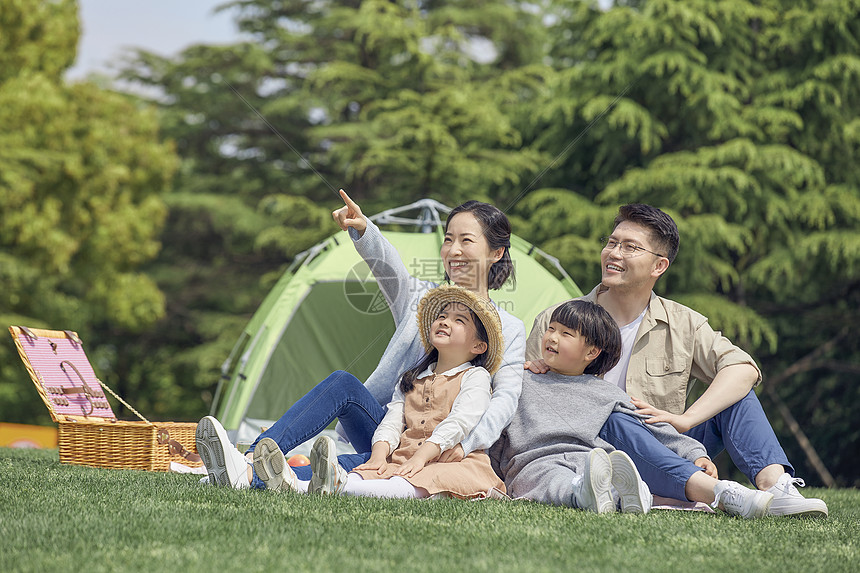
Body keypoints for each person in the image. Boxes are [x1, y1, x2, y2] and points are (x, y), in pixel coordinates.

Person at [196, 191, 525, 490]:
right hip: (392, 432)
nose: (453, 250)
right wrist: (364, 230)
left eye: (466, 241)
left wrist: (462, 446)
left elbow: (503, 404)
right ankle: (251, 460)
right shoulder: (422, 301)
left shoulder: (507, 328)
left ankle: (251, 478)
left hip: (449, 446)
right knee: (342, 383)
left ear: (496, 252)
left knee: (340, 471)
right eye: (448, 239)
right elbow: (390, 270)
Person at [524, 204, 828, 518]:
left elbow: (743, 369)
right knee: (611, 419)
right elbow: (523, 398)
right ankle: (710, 492)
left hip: (666, 444)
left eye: (630, 247)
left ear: (659, 266)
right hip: (589, 452)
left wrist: (686, 420)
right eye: (612, 243)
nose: (613, 253)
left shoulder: (683, 323)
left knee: (737, 397)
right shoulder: (557, 320)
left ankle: (776, 488)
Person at [494, 299, 775, 518]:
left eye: (565, 334)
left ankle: (614, 494)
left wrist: (695, 453)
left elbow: (651, 426)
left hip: (591, 460)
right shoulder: (520, 379)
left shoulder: (606, 392)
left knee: (604, 467)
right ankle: (599, 494)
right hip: (536, 461)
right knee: (552, 481)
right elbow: (497, 422)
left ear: (591, 353)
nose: (552, 338)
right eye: (551, 330)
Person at [289, 284, 505, 498]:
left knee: (414, 483)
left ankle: (333, 486)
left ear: (478, 346)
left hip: (452, 462)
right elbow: (392, 423)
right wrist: (378, 457)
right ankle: (296, 484)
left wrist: (421, 457)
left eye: (459, 320)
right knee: (368, 474)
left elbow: (460, 421)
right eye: (442, 316)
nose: (444, 322)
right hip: (403, 458)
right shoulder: (410, 379)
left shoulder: (476, 377)